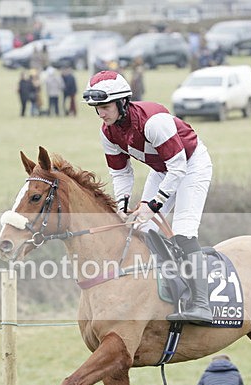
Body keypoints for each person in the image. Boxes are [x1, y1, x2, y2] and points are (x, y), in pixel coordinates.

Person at [82, 69, 214, 322]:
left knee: (184, 230)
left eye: (105, 106)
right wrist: (122, 205)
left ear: (122, 101)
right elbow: (121, 173)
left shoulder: (154, 122)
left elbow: (178, 168)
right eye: (96, 108)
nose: (100, 113)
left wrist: (152, 204)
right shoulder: (107, 131)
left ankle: (201, 303)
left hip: (190, 164)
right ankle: (173, 283)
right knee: (143, 227)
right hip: (162, 168)